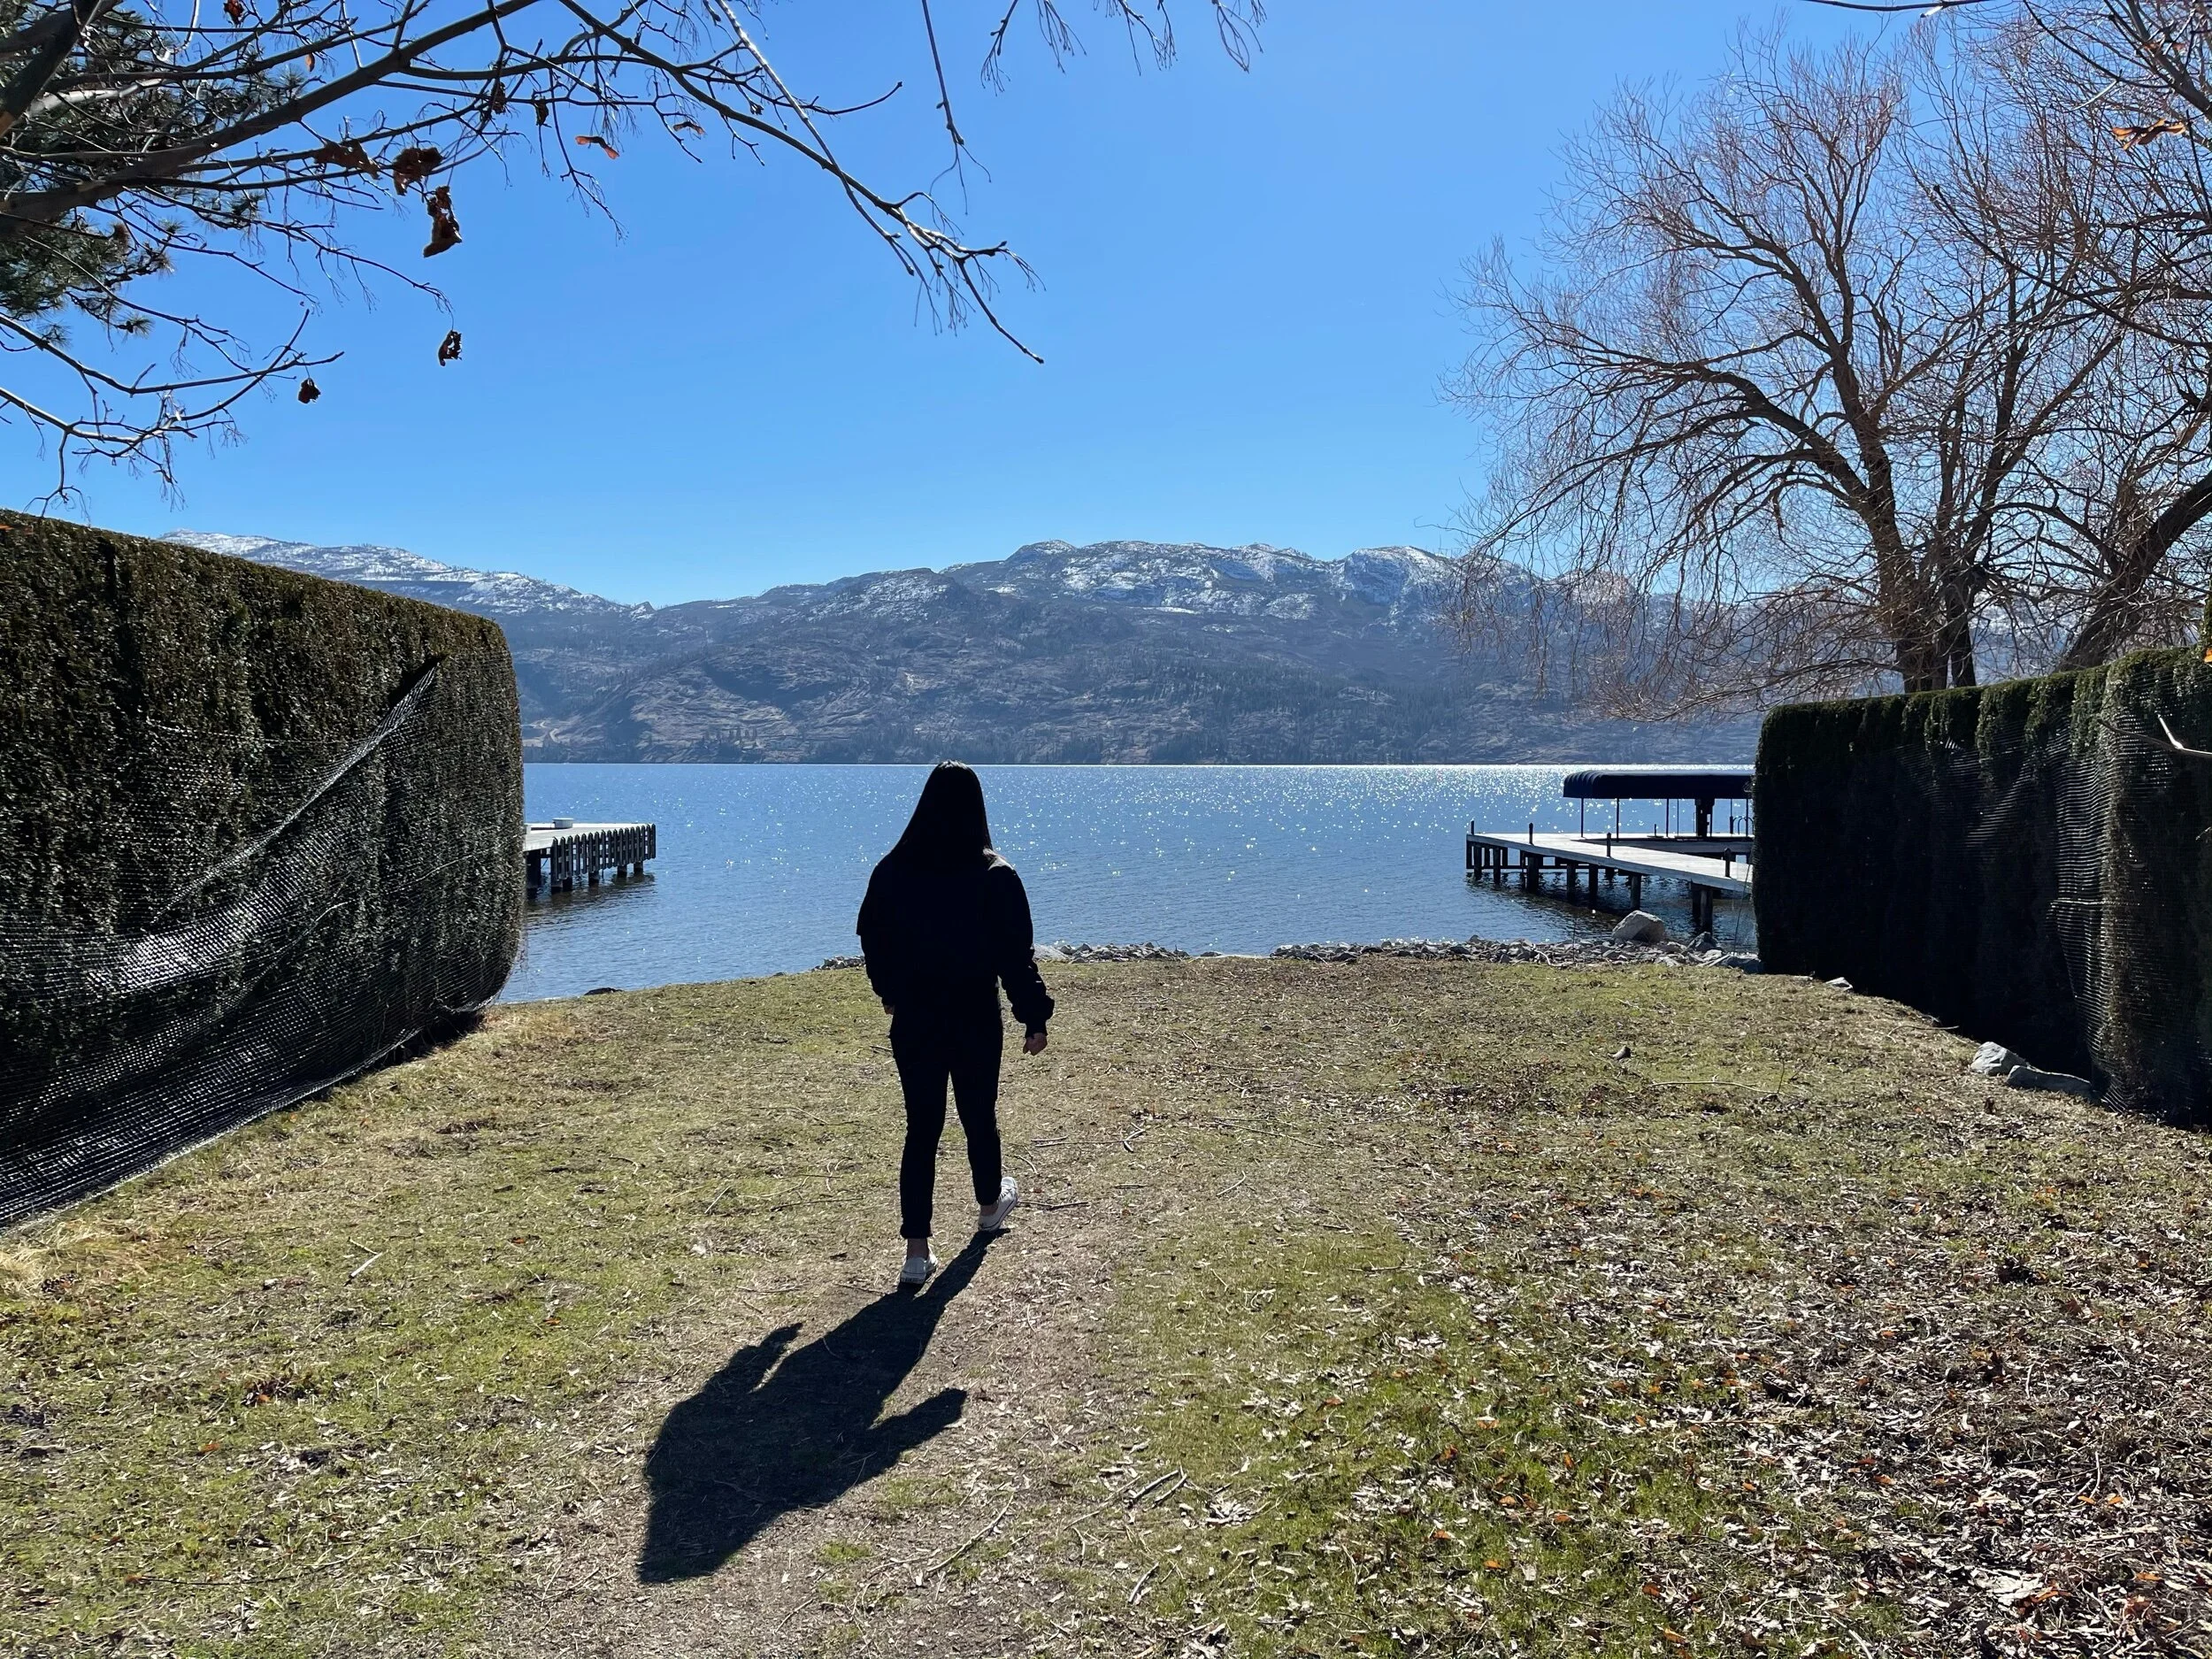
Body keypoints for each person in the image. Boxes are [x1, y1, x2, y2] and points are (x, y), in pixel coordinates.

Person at [856, 762, 1054, 1287]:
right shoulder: (996, 874)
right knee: (977, 1115)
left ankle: (916, 1253)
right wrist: (1033, 1015)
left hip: (916, 1018)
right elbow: (1016, 956)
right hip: (973, 1016)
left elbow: (872, 937)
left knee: (922, 1128)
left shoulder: (893, 870)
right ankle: (990, 1205)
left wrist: (889, 992)